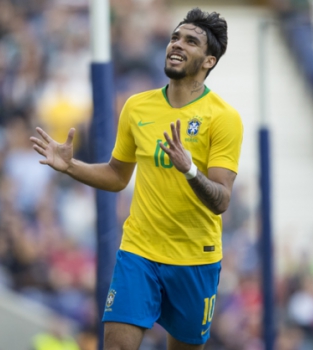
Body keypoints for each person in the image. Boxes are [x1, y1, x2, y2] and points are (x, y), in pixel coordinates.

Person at [30, 7, 243, 350]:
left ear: (209, 61)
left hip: (195, 258)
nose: (177, 44)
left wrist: (189, 170)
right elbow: (117, 175)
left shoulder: (223, 118)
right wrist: (71, 166)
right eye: (175, 37)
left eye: (190, 41)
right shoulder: (137, 107)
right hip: (139, 250)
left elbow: (221, 199)